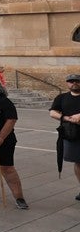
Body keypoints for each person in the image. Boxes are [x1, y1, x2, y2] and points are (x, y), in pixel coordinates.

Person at [49, 73, 80, 202]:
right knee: (78, 162)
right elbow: (52, 112)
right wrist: (67, 118)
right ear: (67, 83)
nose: (74, 83)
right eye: (71, 81)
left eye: (77, 81)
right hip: (71, 134)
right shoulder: (61, 98)